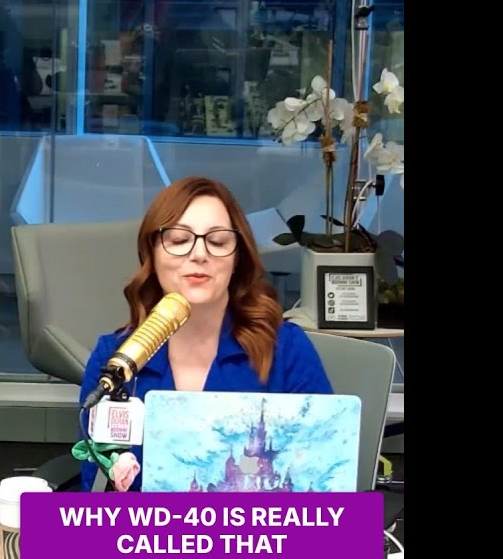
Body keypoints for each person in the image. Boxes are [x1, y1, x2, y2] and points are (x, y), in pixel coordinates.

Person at [78, 176, 332, 492]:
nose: (199, 254)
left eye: (218, 241)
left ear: (237, 259)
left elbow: (324, 495)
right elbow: (96, 501)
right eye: (179, 239)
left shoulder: (287, 350)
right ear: (152, 256)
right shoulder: (114, 361)